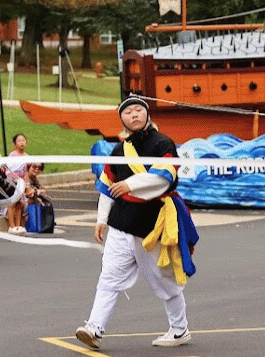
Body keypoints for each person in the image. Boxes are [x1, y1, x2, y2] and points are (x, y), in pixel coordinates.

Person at [74, 96, 196, 350]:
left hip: (152, 223)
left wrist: (130, 184)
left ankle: (180, 329)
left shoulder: (163, 143)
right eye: (128, 111)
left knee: (164, 280)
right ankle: (94, 328)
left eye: (138, 109)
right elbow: (107, 187)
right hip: (120, 223)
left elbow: (164, 178)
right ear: (123, 119)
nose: (134, 114)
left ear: (147, 114)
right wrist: (101, 219)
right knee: (108, 276)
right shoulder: (118, 151)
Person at [4, 133, 34, 232]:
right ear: (15, 144)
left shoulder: (27, 157)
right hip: (13, 182)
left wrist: (27, 185)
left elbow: (26, 172)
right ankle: (12, 226)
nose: (22, 143)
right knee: (12, 203)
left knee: (20, 204)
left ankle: (18, 225)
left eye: (23, 140)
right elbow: (8, 171)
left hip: (22, 183)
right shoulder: (12, 156)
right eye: (19, 141)